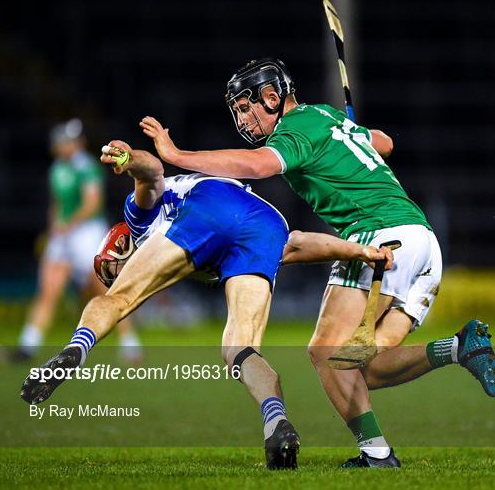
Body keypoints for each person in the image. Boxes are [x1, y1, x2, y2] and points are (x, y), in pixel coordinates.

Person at [138, 57, 495, 468]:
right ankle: (458, 348)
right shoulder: (325, 117)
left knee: (325, 352)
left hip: (379, 236)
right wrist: (352, 133)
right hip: (424, 245)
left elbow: (257, 166)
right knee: (363, 366)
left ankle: (377, 455)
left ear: (272, 98)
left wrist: (177, 154)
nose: (242, 119)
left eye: (245, 107)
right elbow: (384, 142)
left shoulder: (296, 131)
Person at [20, 140, 393, 470]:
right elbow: (297, 244)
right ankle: (274, 420)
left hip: (208, 206)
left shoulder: (138, 220)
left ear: (120, 246)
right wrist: (360, 250)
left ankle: (76, 349)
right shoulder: (192, 226)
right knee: (241, 349)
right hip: (266, 222)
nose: (120, 272)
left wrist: (130, 159)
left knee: (116, 301)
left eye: (114, 267)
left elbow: (151, 174)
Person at [13, 118, 142, 363]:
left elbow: (92, 203)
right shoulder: (57, 169)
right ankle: (28, 345)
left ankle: (130, 341)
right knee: (48, 291)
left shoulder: (86, 167)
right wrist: (53, 230)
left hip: (86, 233)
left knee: (104, 290)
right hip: (63, 235)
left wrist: (67, 224)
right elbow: (56, 204)